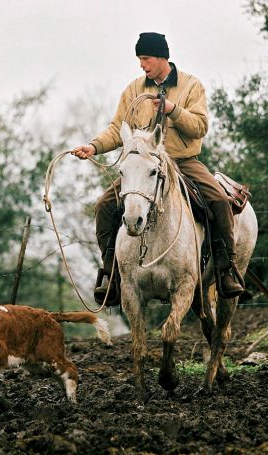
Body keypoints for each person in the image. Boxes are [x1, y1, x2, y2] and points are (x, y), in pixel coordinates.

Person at [72, 32, 244, 305]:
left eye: (146, 58)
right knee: (105, 205)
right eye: (140, 59)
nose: (142, 64)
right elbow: (118, 129)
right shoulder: (133, 90)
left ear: (163, 57)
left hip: (184, 163)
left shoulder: (191, 86)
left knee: (219, 201)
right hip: (145, 166)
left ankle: (226, 269)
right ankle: (110, 273)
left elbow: (200, 126)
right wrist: (93, 147)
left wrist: (173, 109)